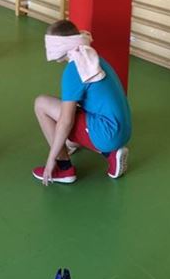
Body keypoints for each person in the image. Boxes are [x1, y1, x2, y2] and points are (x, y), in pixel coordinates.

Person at [32, 19, 132, 185]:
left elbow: (65, 121)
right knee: (67, 138)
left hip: (108, 134)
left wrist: (51, 159)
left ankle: (64, 169)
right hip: (123, 129)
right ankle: (107, 152)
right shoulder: (91, 57)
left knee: (41, 103)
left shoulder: (74, 69)